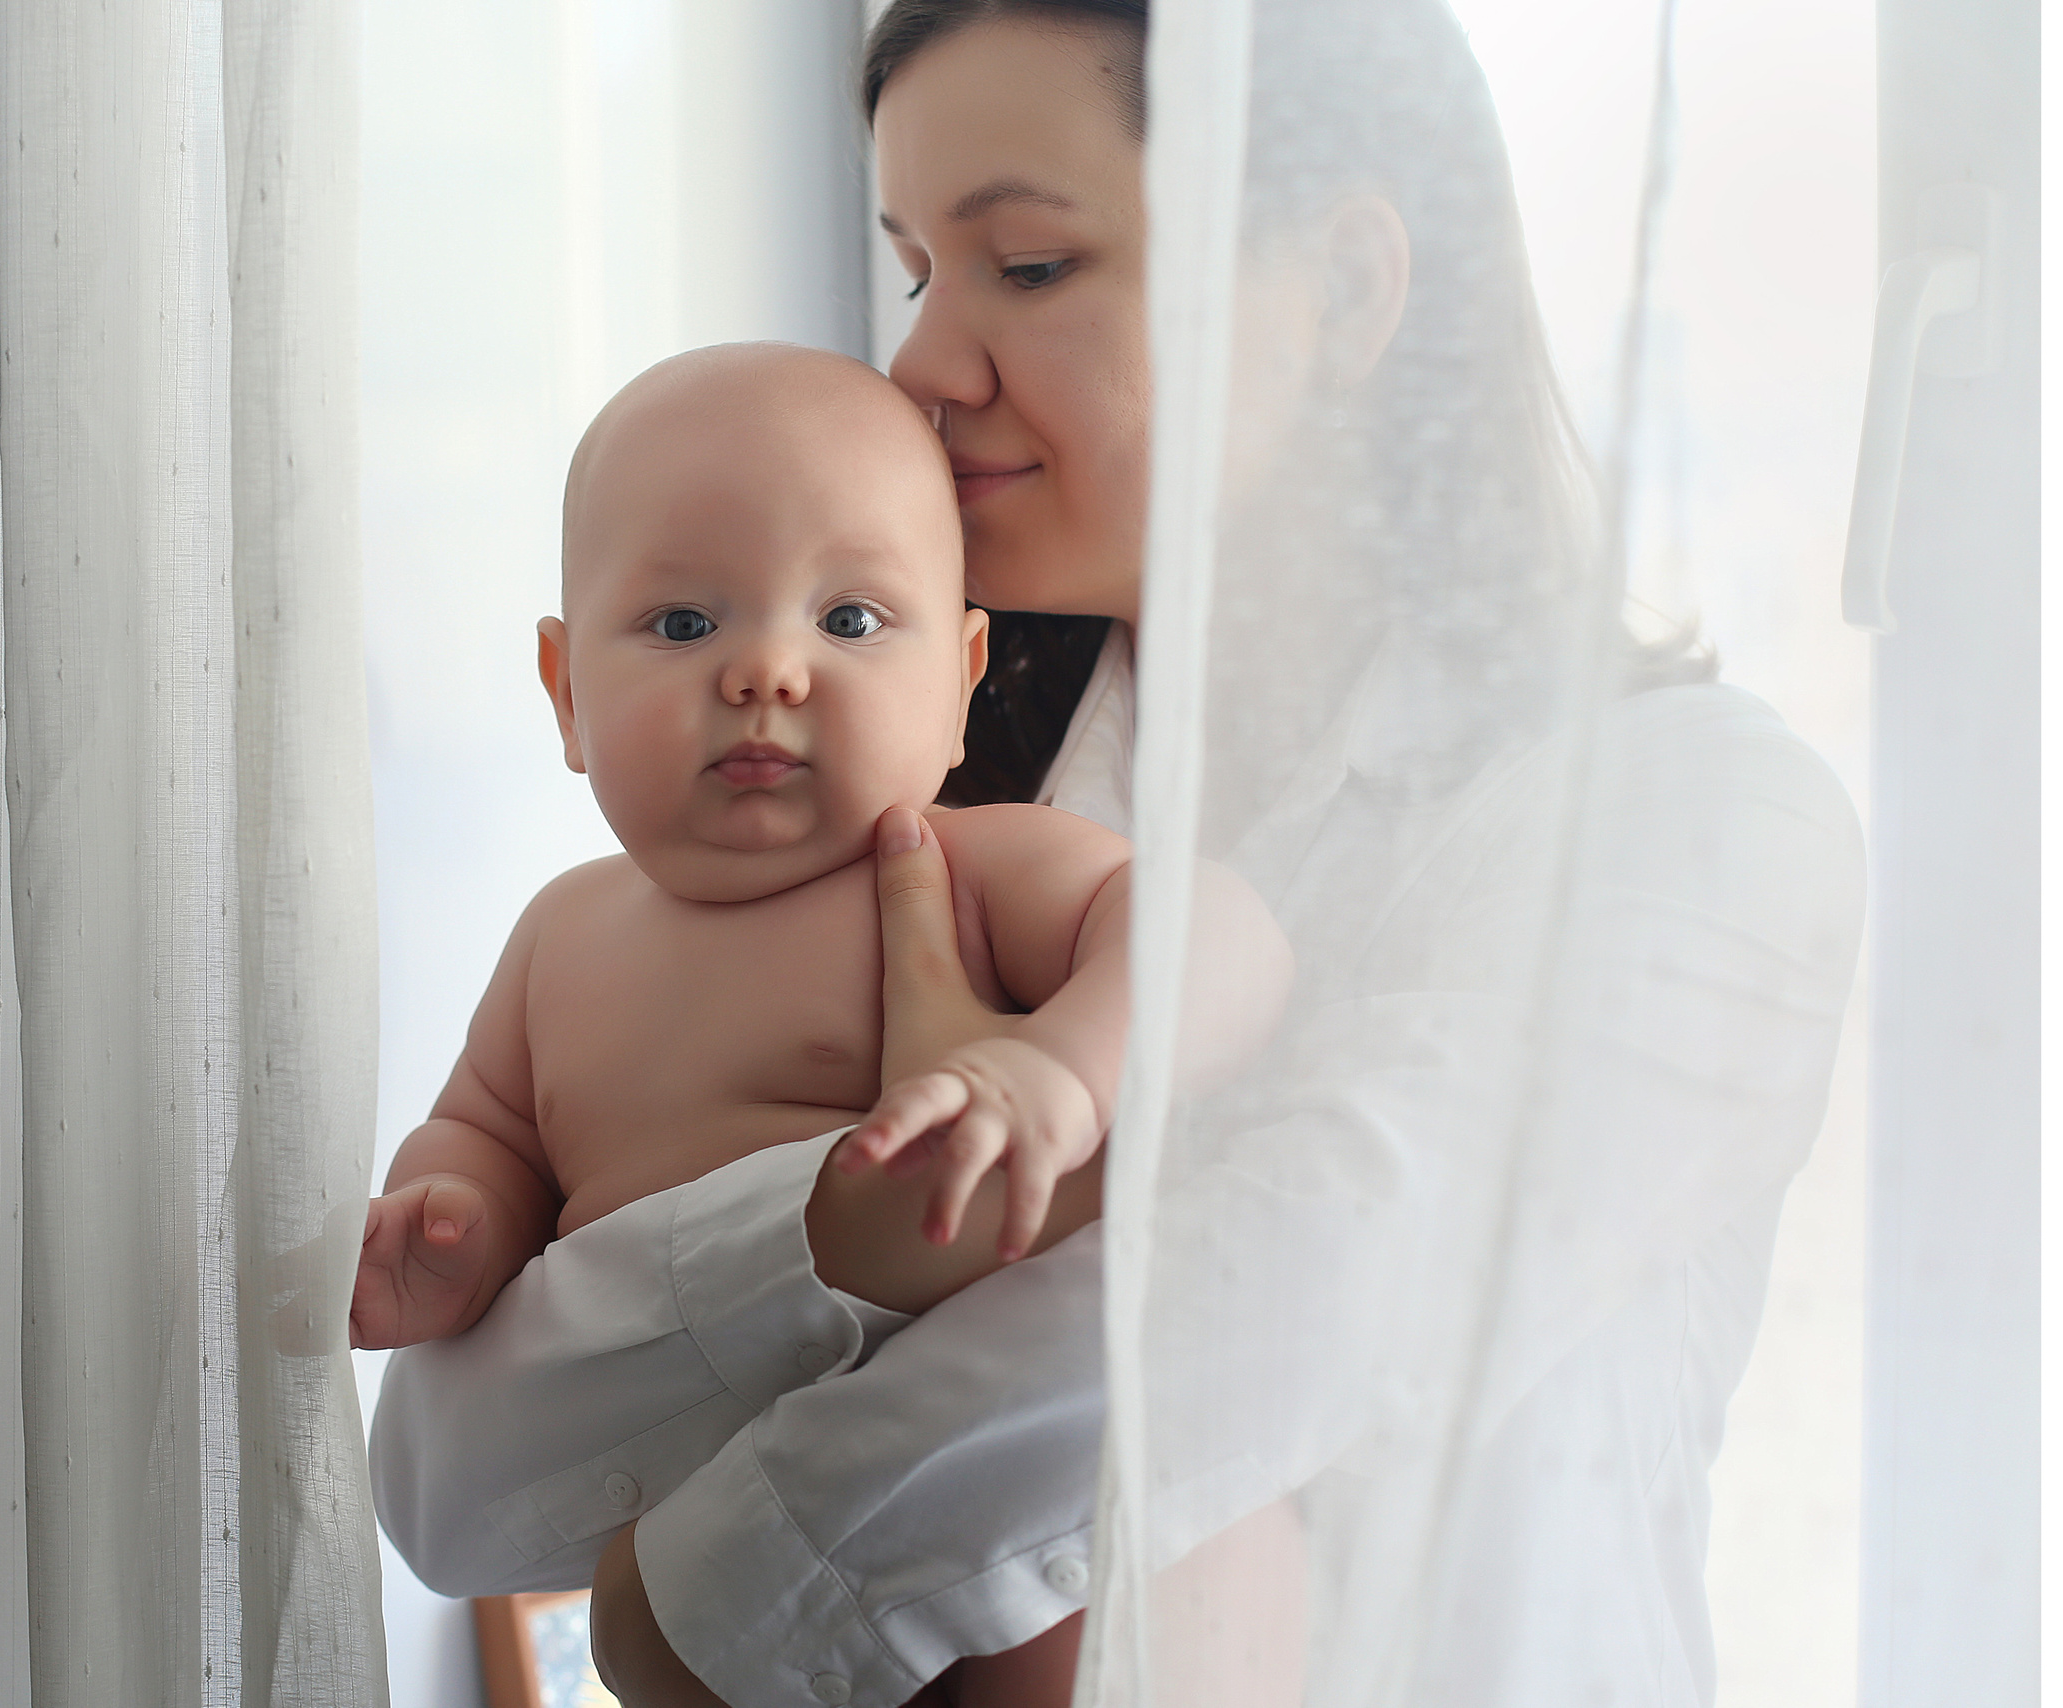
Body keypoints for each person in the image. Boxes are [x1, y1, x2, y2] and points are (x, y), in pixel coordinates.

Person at [371, 4, 1866, 1705]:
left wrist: (689, 1601)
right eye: (918, 267)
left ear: (1351, 290)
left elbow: (1263, 1326)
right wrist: (825, 1220)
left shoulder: (1685, 822)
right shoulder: (891, 831)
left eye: (1026, 264)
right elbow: (449, 1472)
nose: (927, 359)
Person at [350, 341, 1290, 1354]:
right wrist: (449, 1226)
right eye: (682, 622)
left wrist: (1059, 1072)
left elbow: (1219, 934)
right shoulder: (557, 936)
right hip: (647, 1471)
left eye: (849, 618)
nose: (765, 672)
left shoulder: (966, 872)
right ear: (567, 693)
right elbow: (486, 1137)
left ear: (959, 684)